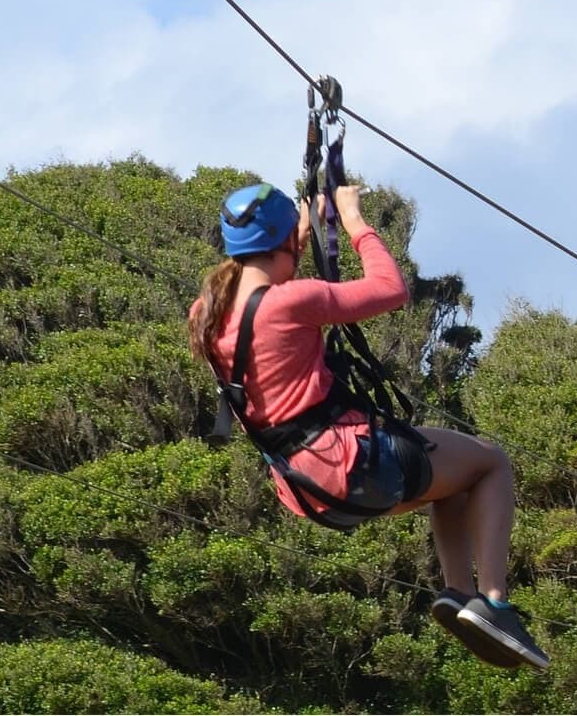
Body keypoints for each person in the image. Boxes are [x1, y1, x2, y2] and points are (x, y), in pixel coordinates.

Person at [187, 182, 548, 670]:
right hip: (348, 462)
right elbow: (389, 290)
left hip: (302, 485)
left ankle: (459, 595)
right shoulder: (290, 301)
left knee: (452, 485)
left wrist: (294, 235)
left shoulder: (208, 313)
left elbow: (273, 309)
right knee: (490, 463)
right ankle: (495, 602)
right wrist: (353, 220)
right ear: (284, 244)